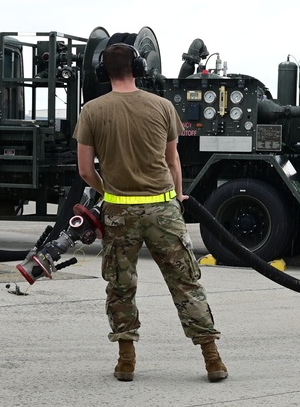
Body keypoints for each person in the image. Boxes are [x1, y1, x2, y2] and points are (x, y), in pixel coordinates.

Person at [74, 43, 227, 383]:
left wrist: (109, 192)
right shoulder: (162, 106)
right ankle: (212, 358)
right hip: (163, 208)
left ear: (104, 72)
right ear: (139, 68)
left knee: (120, 287)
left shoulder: (92, 111)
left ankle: (126, 360)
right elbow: (173, 160)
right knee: (186, 284)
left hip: (119, 213)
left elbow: (85, 171)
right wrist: (176, 196)